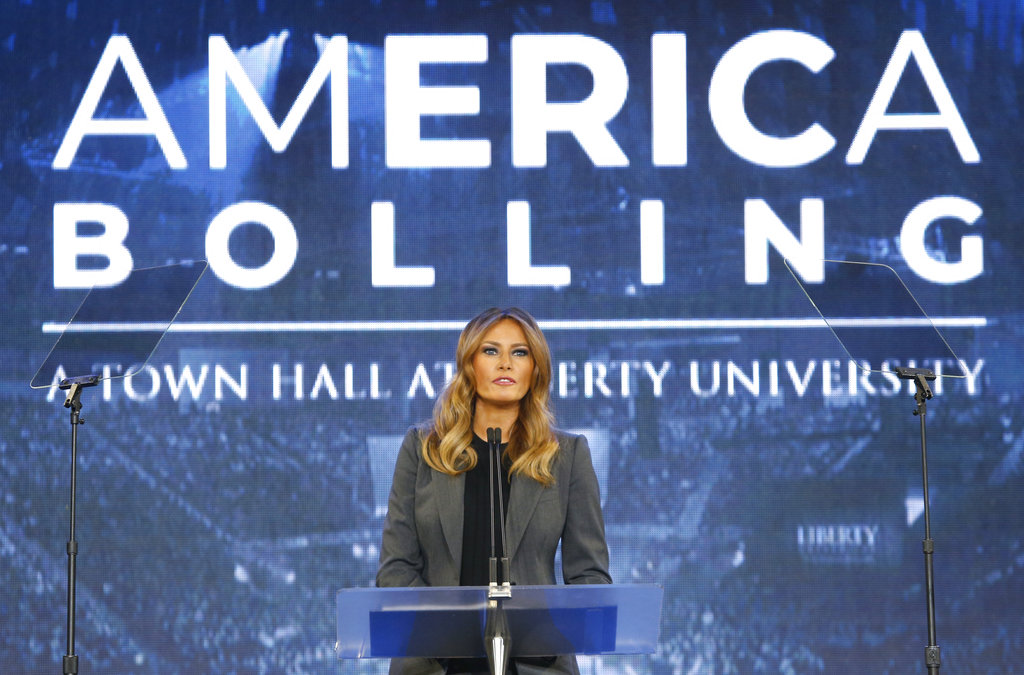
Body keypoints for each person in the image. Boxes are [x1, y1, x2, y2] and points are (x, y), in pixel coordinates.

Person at [377, 307, 612, 675]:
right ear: (469, 364)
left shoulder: (568, 456)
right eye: (491, 351)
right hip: (438, 663)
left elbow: (590, 577)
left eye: (520, 352)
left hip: (535, 664)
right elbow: (396, 569)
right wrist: (445, 632)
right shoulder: (421, 450)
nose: (505, 363)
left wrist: (546, 629)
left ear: (535, 368)